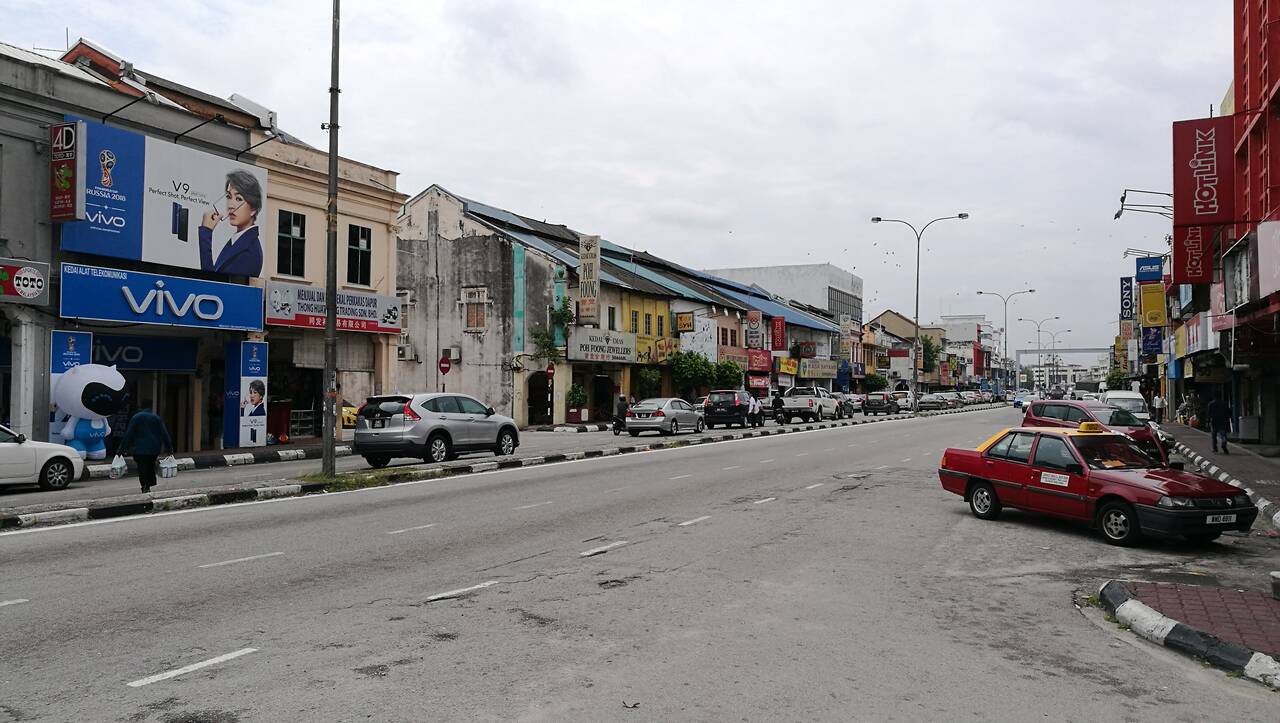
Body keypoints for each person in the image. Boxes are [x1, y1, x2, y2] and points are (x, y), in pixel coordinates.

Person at [200, 169, 264, 276]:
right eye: (229, 197)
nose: (230, 206)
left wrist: (206, 233)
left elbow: (210, 283)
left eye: (238, 199)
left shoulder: (249, 251)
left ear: (253, 208)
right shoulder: (239, 241)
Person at [118, 403, 174, 494]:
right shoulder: (156, 418)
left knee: (142, 467)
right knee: (150, 466)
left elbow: (128, 434)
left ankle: (145, 485)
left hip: (139, 449)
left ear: (140, 408)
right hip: (154, 449)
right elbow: (165, 434)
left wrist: (121, 449)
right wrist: (169, 448)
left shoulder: (136, 417)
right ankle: (148, 484)